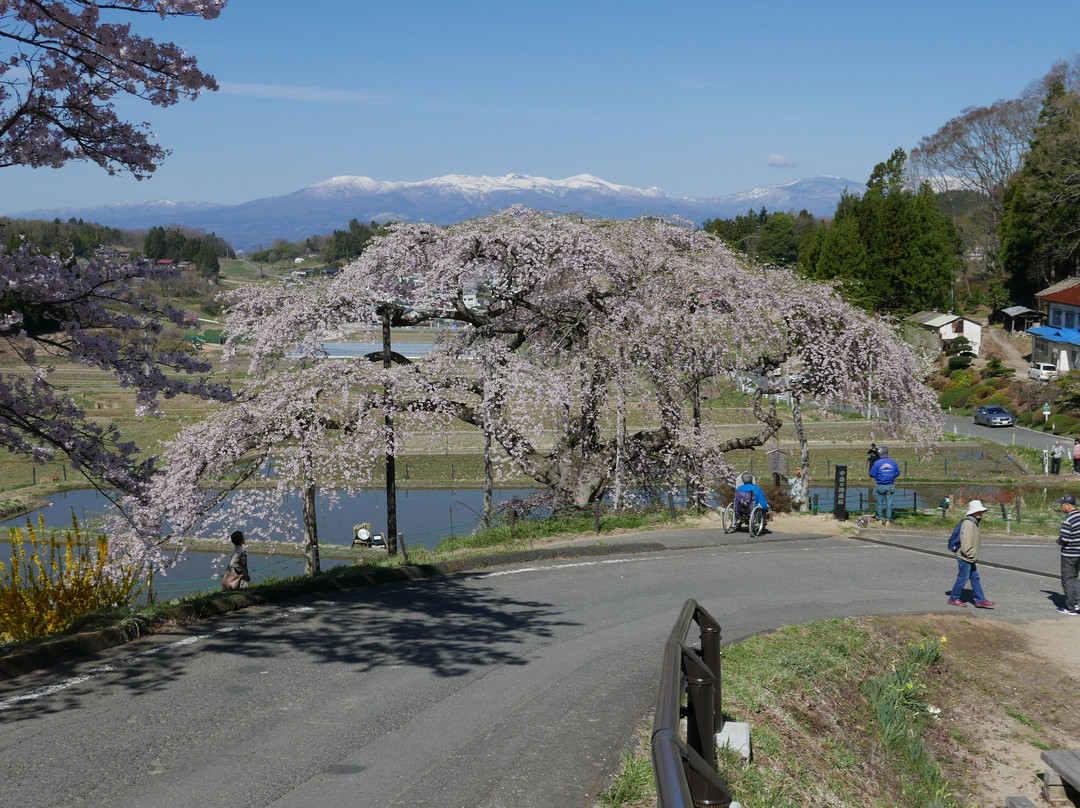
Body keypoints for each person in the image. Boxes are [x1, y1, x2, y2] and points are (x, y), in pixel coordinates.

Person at [948, 500, 994, 608]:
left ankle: (980, 600)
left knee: (975, 577)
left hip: (969, 556)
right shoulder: (969, 523)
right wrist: (972, 554)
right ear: (972, 512)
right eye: (977, 511)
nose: (980, 513)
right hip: (965, 556)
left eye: (981, 511)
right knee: (963, 578)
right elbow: (966, 544)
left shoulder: (974, 522)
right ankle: (954, 598)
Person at [1057, 494, 1080, 615]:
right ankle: (1078, 602)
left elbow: (1064, 539)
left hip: (1069, 553)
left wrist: (1058, 540)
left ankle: (1071, 607)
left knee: (1068, 580)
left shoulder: (1068, 519)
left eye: (1062, 504)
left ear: (1068, 505)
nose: (1061, 506)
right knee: (1075, 579)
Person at [869, 446, 900, 525]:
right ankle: (888, 520)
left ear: (879, 453)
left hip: (880, 485)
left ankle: (879, 519)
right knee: (889, 504)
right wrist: (891, 477)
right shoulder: (893, 462)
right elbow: (897, 473)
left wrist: (878, 478)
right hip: (890, 485)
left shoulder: (877, 463)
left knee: (879, 502)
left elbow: (872, 473)